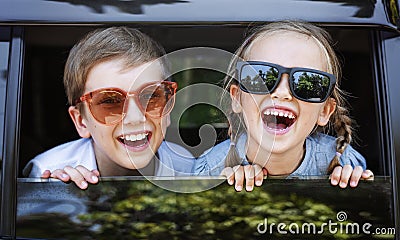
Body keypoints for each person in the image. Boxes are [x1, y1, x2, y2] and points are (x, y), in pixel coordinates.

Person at [193, 20, 373, 191]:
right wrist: (224, 191)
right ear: (237, 98)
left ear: (324, 111)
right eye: (262, 76)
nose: (282, 93)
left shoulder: (343, 159)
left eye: (306, 82)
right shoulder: (211, 167)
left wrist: (354, 188)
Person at [23, 27, 194, 189]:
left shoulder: (187, 168)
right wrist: (55, 198)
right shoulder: (47, 172)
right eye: (110, 102)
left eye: (151, 97)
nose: (135, 118)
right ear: (81, 121)